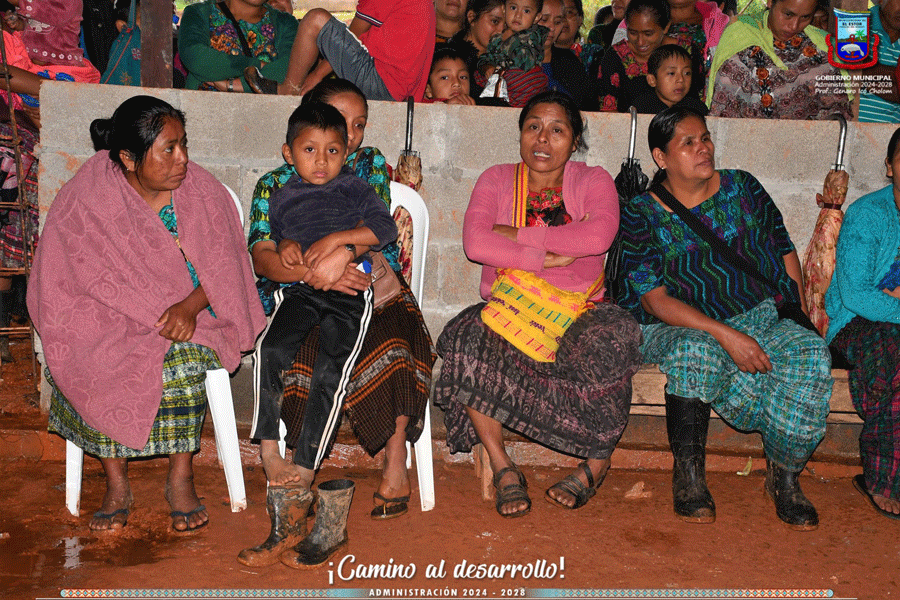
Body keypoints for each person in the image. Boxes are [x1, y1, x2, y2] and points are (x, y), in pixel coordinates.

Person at [27, 95, 266, 532]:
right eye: (169, 149)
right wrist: (112, 318)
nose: (183, 159)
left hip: (190, 312)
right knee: (88, 355)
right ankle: (116, 484)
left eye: (183, 144)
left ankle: (181, 477)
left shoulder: (203, 193)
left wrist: (190, 306)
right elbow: (63, 274)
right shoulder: (87, 195)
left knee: (184, 361)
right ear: (128, 158)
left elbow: (227, 269)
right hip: (107, 315)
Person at [239, 78, 435, 567]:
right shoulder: (276, 185)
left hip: (363, 286)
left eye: (356, 126)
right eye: (334, 123)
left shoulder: (361, 174)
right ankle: (278, 460)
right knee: (281, 351)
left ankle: (355, 463)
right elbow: (264, 251)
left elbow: (379, 231)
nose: (344, 136)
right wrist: (309, 265)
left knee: (365, 351)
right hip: (301, 288)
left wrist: (340, 251)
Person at [616, 106, 832, 530]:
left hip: (761, 314)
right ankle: (689, 476)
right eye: (688, 143)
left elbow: (783, 248)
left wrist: (797, 313)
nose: (704, 148)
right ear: (661, 157)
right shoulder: (642, 212)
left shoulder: (742, 187)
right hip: (676, 326)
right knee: (696, 351)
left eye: (705, 138)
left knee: (809, 354)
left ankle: (784, 476)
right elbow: (655, 300)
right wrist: (727, 335)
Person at [434, 90, 643, 518]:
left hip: (580, 310)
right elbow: (476, 242)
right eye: (533, 127)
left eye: (557, 130)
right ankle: (502, 464)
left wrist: (515, 235)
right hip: (513, 305)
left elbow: (597, 236)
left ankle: (595, 464)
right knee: (465, 334)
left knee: (614, 338)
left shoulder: (593, 180)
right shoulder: (496, 179)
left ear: (575, 139)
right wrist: (543, 258)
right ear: (520, 134)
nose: (542, 139)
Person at [826, 127, 900, 520]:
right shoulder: (869, 215)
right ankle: (884, 478)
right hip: (854, 324)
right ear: (889, 167)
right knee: (892, 351)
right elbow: (856, 295)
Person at [707, 0, 852, 119]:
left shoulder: (821, 48)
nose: (794, 26)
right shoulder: (740, 41)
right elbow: (724, 115)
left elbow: (838, 113)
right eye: (788, 14)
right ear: (770, 2)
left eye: (805, 17)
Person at [268, 0, 435, 99]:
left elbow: (355, 32)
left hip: (384, 84)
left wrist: (317, 75)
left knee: (316, 19)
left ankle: (288, 90)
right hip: (405, 91)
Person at [178, 0, 298, 93]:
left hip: (264, 113)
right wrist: (258, 65)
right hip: (202, 110)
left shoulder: (287, 23)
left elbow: (291, 70)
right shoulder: (198, 13)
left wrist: (235, 85)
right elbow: (196, 58)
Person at [597, 0, 687, 111]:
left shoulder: (686, 54)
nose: (640, 42)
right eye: (633, 33)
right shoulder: (615, 56)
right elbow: (608, 111)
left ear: (666, 27)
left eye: (648, 34)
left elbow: (696, 103)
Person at [541, 0, 598, 110]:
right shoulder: (516, 59)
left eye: (558, 22)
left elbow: (587, 108)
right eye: (544, 20)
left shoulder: (570, 63)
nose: (551, 27)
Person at [477, 0, 548, 79]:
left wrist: (510, 40)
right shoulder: (498, 36)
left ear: (536, 17)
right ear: (504, 9)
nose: (518, 15)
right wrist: (487, 67)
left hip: (526, 83)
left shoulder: (534, 36)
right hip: (503, 82)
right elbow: (488, 56)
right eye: (513, 8)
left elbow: (527, 63)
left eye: (526, 11)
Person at [449, 0, 505, 99]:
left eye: (506, 26)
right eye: (495, 21)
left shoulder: (509, 59)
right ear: (472, 17)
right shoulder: (448, 56)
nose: (501, 31)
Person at [632, 44, 708, 113]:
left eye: (687, 73)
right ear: (652, 80)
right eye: (671, 73)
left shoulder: (696, 109)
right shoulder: (642, 108)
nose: (681, 79)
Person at [858, 0, 900, 123]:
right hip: (847, 128)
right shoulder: (858, 22)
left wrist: (866, 71)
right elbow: (850, 65)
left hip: (893, 132)